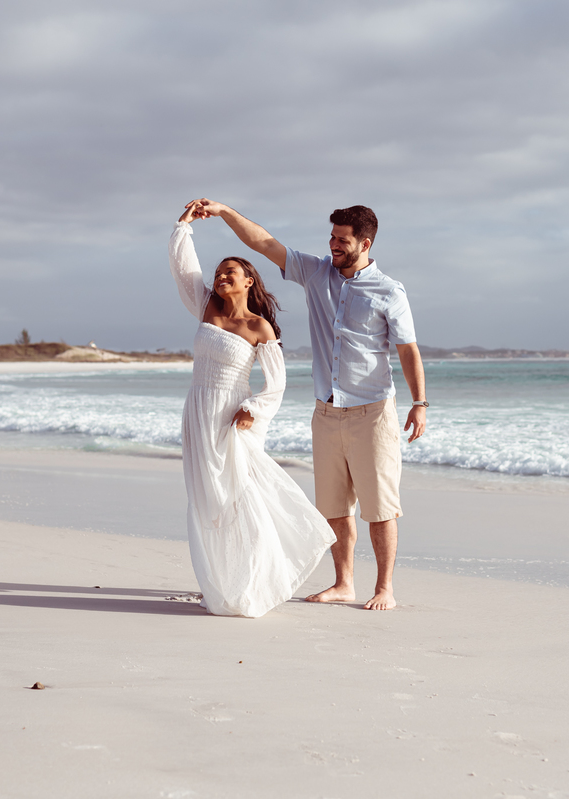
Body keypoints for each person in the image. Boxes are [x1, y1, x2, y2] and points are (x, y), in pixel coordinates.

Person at [187, 199, 427, 611]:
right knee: (334, 505)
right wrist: (225, 212)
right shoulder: (317, 273)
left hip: (372, 411)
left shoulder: (389, 291)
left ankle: (384, 587)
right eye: (331, 237)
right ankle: (344, 583)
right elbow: (263, 243)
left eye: (342, 240)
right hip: (326, 410)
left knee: (380, 507)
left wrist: (419, 402)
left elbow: (407, 350)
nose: (332, 245)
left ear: (364, 243)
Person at [167, 202, 336, 617]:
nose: (222, 276)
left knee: (238, 496)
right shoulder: (206, 306)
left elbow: (276, 382)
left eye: (231, 272)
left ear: (248, 281)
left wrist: (252, 410)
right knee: (205, 499)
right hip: (198, 411)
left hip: (234, 416)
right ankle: (220, 584)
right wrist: (183, 229)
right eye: (219, 271)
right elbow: (183, 268)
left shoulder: (260, 326)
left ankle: (257, 577)